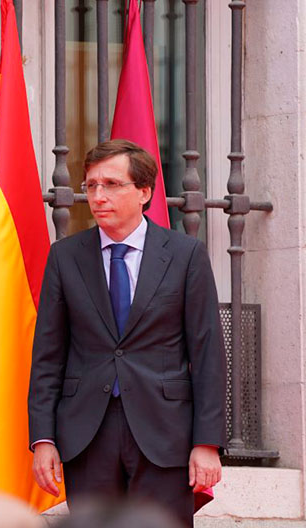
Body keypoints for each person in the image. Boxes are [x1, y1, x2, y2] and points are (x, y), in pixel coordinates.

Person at [29, 139, 226, 526]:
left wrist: (207, 442)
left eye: (112, 184)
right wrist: (43, 439)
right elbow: (48, 356)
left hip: (165, 434)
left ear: (144, 192)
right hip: (86, 434)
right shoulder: (65, 257)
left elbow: (208, 355)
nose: (98, 196)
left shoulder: (185, 255)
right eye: (91, 185)